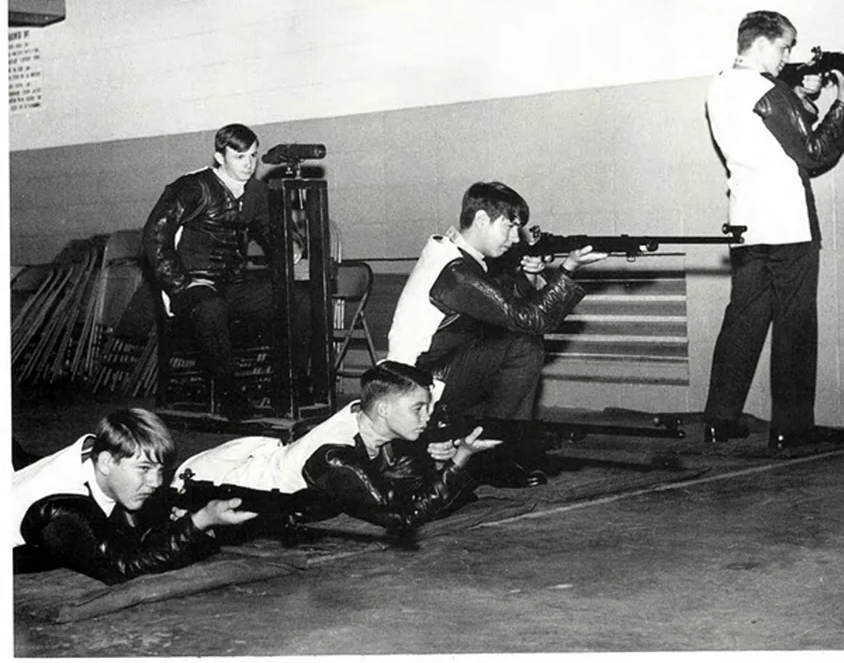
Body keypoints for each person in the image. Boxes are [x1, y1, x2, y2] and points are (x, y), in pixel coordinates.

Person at [703, 10, 844, 449]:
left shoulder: (720, 85)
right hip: (789, 225)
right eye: (784, 47)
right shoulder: (767, 91)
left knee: (742, 323)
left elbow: (773, 136)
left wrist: (799, 94)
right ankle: (792, 428)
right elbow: (813, 153)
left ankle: (720, 420)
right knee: (795, 326)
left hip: (747, 224)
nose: (787, 56)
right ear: (761, 44)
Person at [385, 181, 606, 487]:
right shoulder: (456, 272)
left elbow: (502, 306)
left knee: (515, 343)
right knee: (524, 346)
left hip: (429, 374)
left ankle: (487, 451)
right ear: (481, 221)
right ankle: (492, 458)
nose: (516, 239)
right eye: (510, 227)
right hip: (415, 387)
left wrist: (529, 276)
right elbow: (531, 319)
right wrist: (568, 269)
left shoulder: (456, 256)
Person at [171, 361, 498, 533]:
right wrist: (461, 458)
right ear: (384, 409)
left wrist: (440, 461)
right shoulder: (335, 455)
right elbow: (403, 516)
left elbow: (407, 478)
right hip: (219, 486)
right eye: (419, 408)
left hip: (261, 459)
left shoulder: (365, 413)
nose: (428, 417)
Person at [142, 123, 310, 421]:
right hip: (192, 285)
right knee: (210, 306)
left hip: (232, 285)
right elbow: (155, 237)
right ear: (220, 157)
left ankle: (290, 386)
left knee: (297, 299)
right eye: (239, 157)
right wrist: (180, 284)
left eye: (253, 156)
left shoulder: (256, 191)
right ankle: (229, 395)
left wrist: (291, 246)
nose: (248, 164)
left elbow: (272, 233)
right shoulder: (192, 187)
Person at [12, 409, 256, 585]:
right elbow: (121, 568)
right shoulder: (61, 507)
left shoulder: (98, 450)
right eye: (144, 468)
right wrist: (200, 521)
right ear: (107, 462)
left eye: (160, 470)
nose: (156, 481)